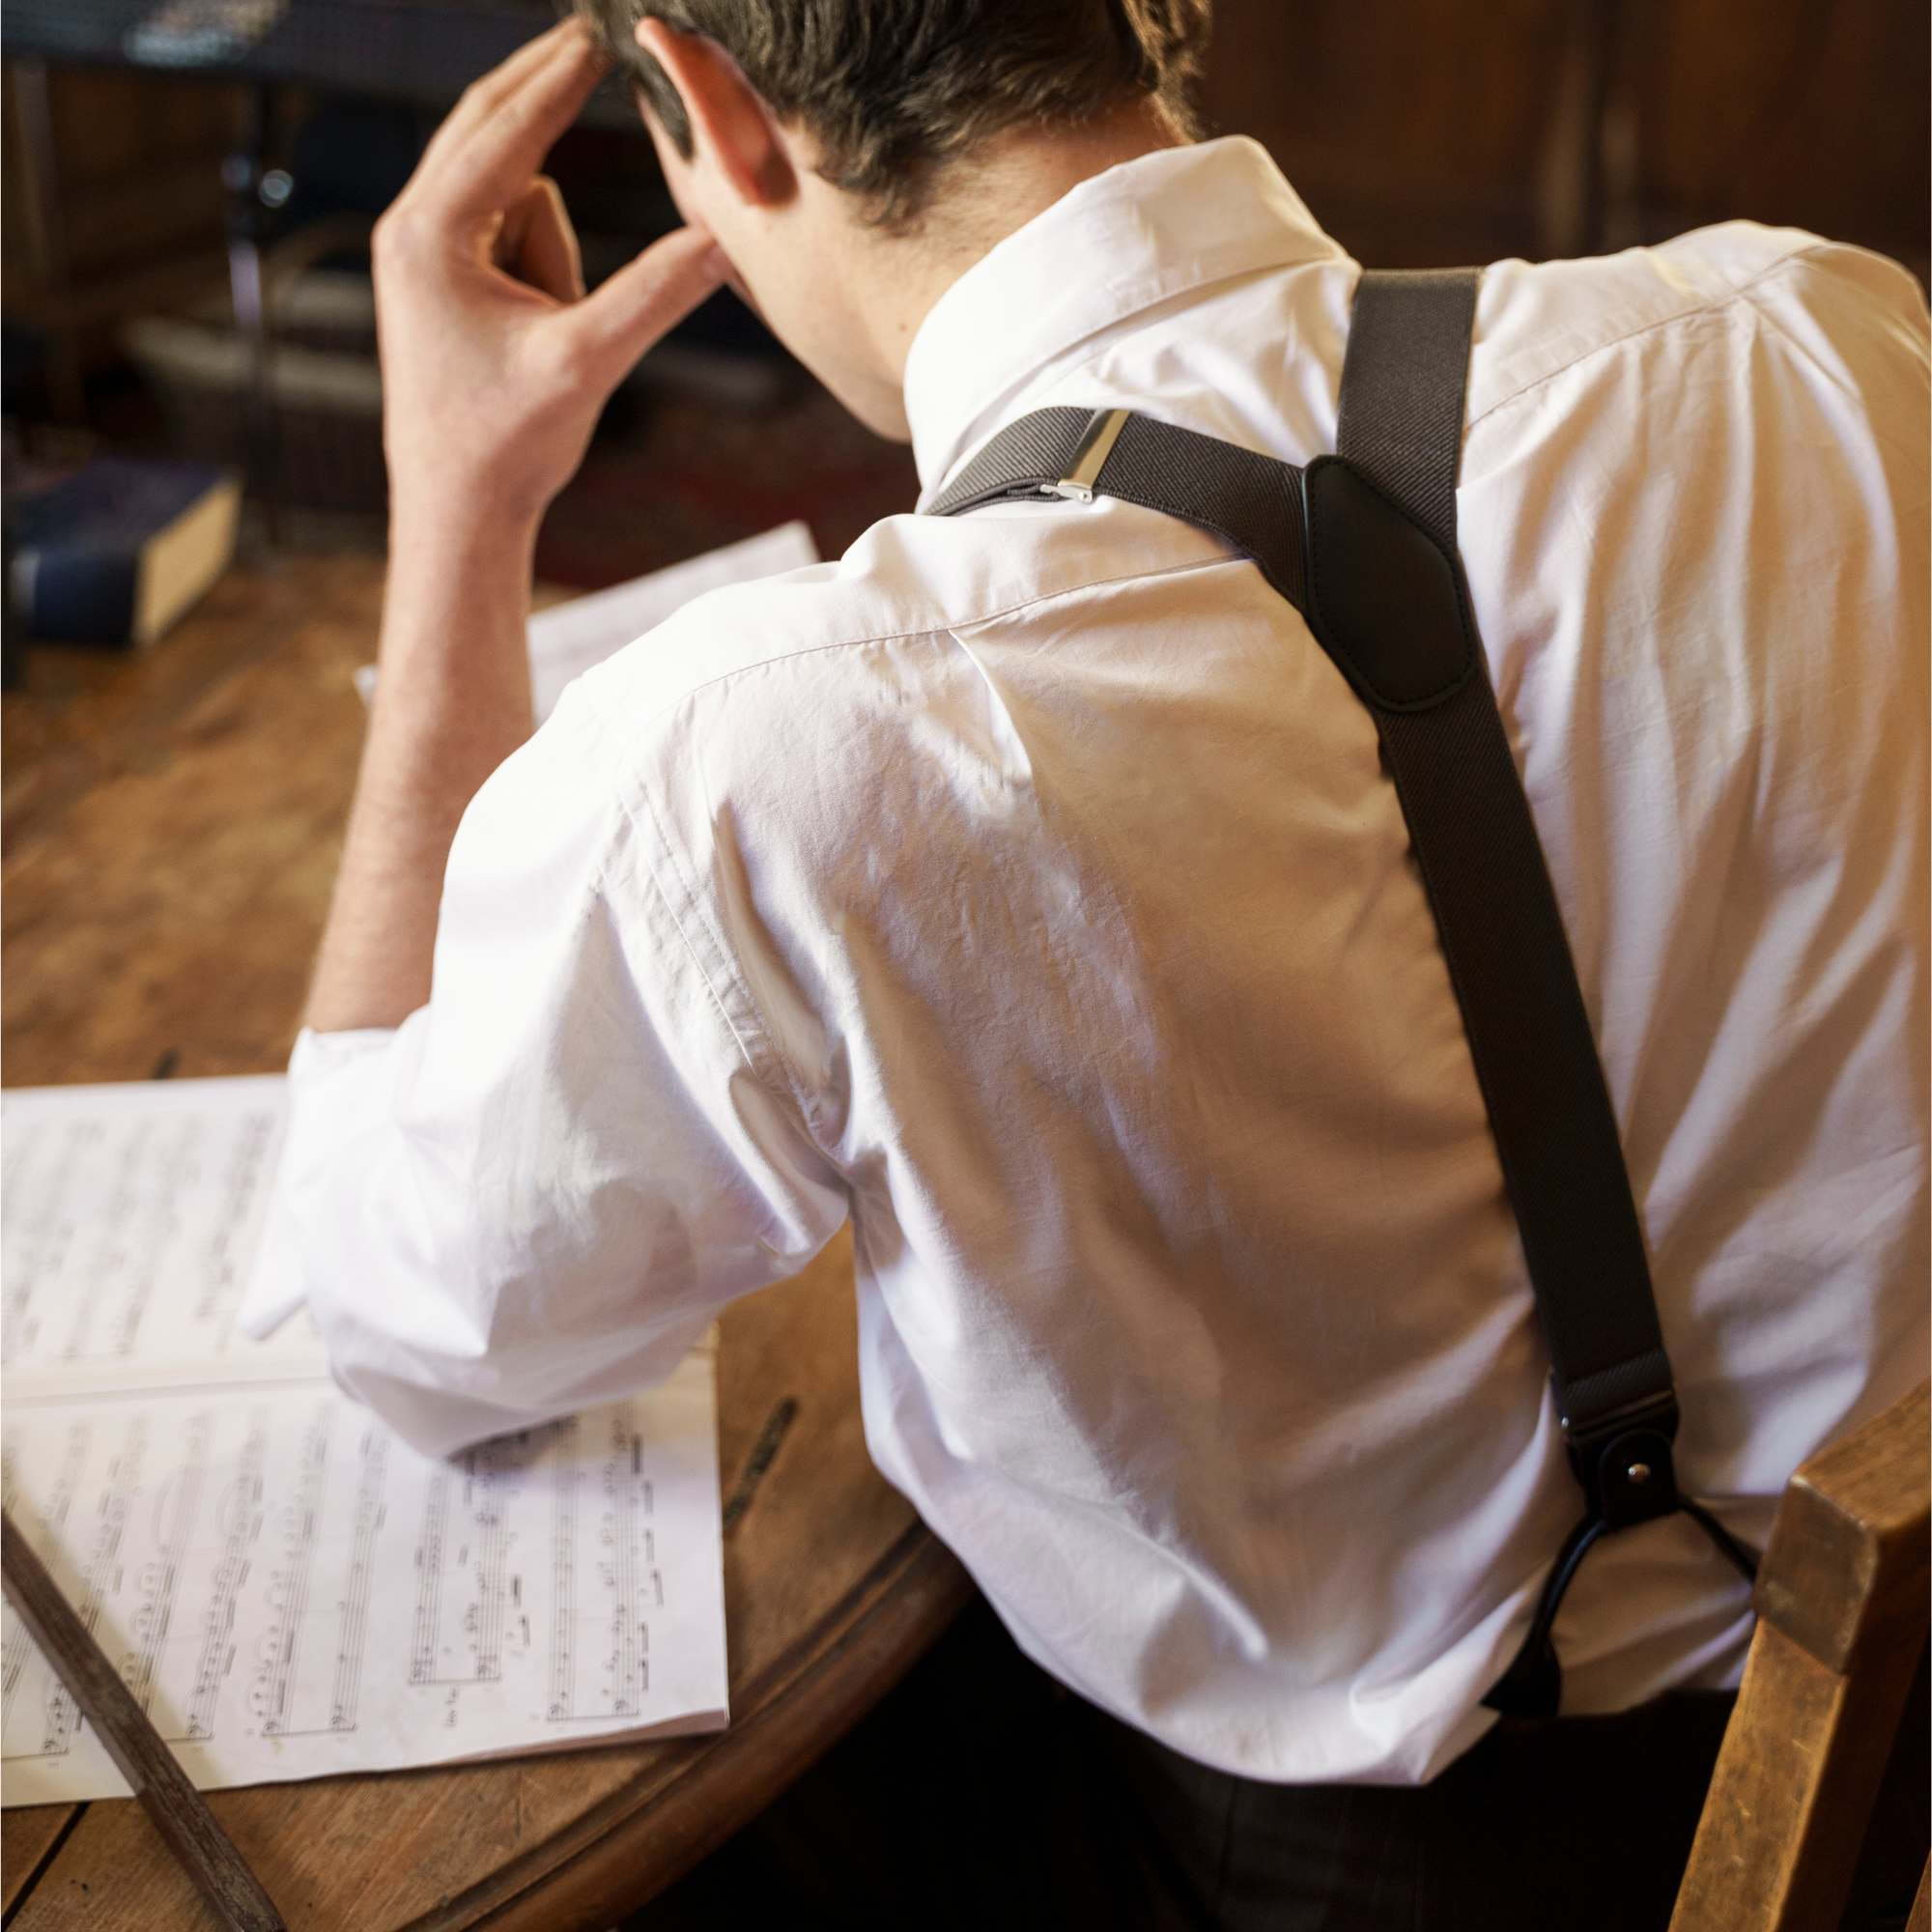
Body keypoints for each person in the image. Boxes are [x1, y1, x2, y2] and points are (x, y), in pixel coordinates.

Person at [241, 5, 1929, 1924]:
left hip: (1342, 1872)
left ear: (714, 100)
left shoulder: (767, 747)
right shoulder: (1817, 338)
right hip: (1887, 1765)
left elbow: (411, 1323)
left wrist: (457, 497)